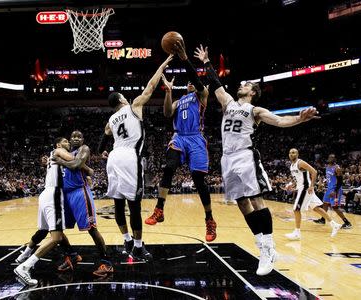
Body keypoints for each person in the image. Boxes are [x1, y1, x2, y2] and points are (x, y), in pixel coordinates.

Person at [194, 45, 319, 276]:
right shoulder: (228, 102)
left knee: (257, 200)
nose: (241, 84)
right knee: (242, 204)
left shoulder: (255, 110)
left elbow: (280, 122)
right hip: (227, 159)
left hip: (245, 156)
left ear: (252, 92)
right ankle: (261, 244)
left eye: (246, 85)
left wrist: (299, 120)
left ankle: (269, 248)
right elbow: (216, 84)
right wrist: (206, 62)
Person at [98, 54, 173, 261]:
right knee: (135, 205)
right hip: (130, 157)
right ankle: (138, 247)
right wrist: (163, 64)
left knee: (118, 204)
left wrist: (101, 151)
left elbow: (103, 138)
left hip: (113, 157)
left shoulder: (111, 119)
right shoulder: (134, 106)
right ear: (122, 99)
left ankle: (127, 240)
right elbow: (150, 85)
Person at [145, 40, 217, 243]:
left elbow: (195, 77)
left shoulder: (201, 96)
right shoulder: (179, 100)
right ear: (185, 86)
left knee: (198, 179)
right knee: (169, 167)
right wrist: (168, 92)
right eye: (188, 83)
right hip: (179, 136)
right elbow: (167, 114)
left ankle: (209, 219)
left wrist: (185, 59)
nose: (191, 83)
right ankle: (159, 209)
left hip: (195, 138)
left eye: (194, 82)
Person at [51, 130, 113, 278]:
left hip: (80, 192)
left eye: (79, 136)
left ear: (83, 139)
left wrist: (61, 162)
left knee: (91, 228)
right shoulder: (65, 152)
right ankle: (72, 255)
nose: (76, 138)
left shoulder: (83, 149)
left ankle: (107, 263)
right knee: (56, 229)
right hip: (64, 194)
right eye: (73, 137)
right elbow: (74, 166)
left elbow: (77, 164)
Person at [14, 137, 74, 285]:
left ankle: (25, 255)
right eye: (66, 141)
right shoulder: (59, 150)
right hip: (53, 195)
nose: (68, 143)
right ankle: (25, 266)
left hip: (46, 194)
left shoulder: (52, 155)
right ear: (59, 144)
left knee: (47, 230)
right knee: (56, 238)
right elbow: (73, 159)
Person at [284, 148, 342, 240]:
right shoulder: (292, 166)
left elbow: (314, 171)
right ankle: (334, 224)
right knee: (316, 208)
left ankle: (297, 233)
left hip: (306, 189)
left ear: (297, 154)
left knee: (296, 209)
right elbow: (298, 178)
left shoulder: (300, 163)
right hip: (301, 188)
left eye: (294, 152)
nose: (292, 154)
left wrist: (311, 186)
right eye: (290, 153)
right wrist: (292, 185)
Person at [314, 154, 352, 228]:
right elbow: (329, 179)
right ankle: (323, 219)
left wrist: (334, 191)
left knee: (335, 207)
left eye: (332, 158)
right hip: (329, 189)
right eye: (329, 157)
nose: (330, 158)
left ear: (335, 159)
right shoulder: (327, 167)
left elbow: (340, 182)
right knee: (325, 204)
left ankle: (347, 223)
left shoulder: (337, 168)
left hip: (335, 190)